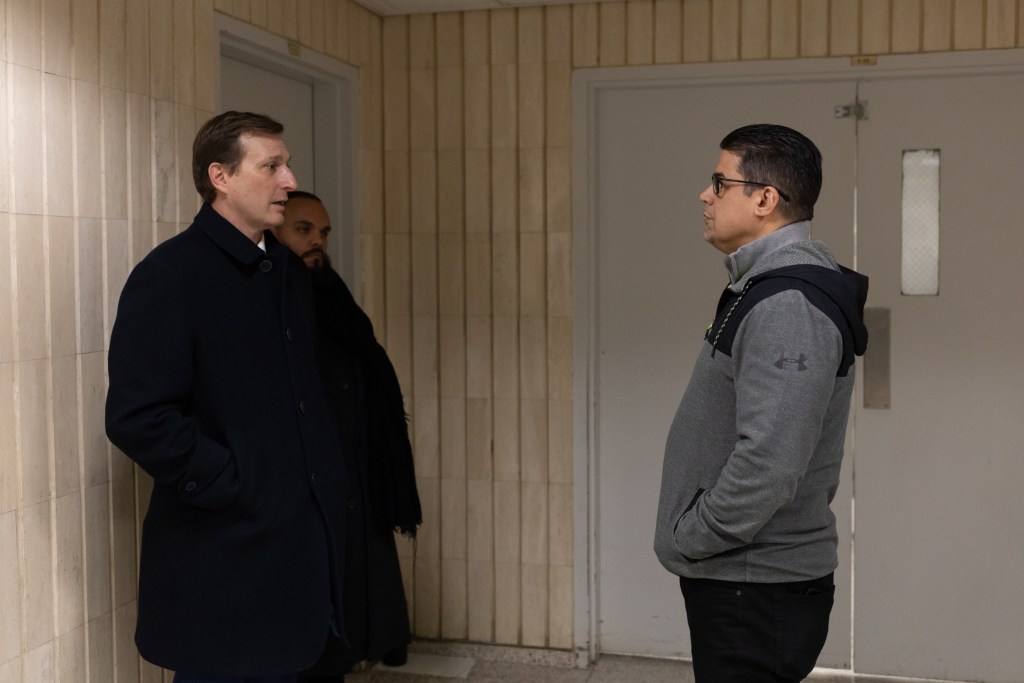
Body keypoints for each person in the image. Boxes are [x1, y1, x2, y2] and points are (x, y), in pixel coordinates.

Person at [105, 112, 349, 682]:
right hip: (226, 552)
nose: (290, 180)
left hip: (299, 548)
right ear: (221, 176)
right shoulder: (171, 275)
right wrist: (234, 481)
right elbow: (138, 417)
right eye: (272, 166)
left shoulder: (285, 269)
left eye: (286, 164)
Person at [653, 124, 869, 682]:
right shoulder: (766, 288)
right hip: (746, 579)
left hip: (754, 583)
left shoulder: (788, 304)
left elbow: (770, 465)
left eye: (719, 183)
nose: (705, 196)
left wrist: (695, 536)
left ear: (765, 199)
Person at [272, 191, 420, 681]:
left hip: (353, 473)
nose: (318, 241)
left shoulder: (329, 293)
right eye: (304, 230)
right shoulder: (272, 297)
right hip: (307, 484)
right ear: (274, 232)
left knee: (349, 609)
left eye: (324, 232)